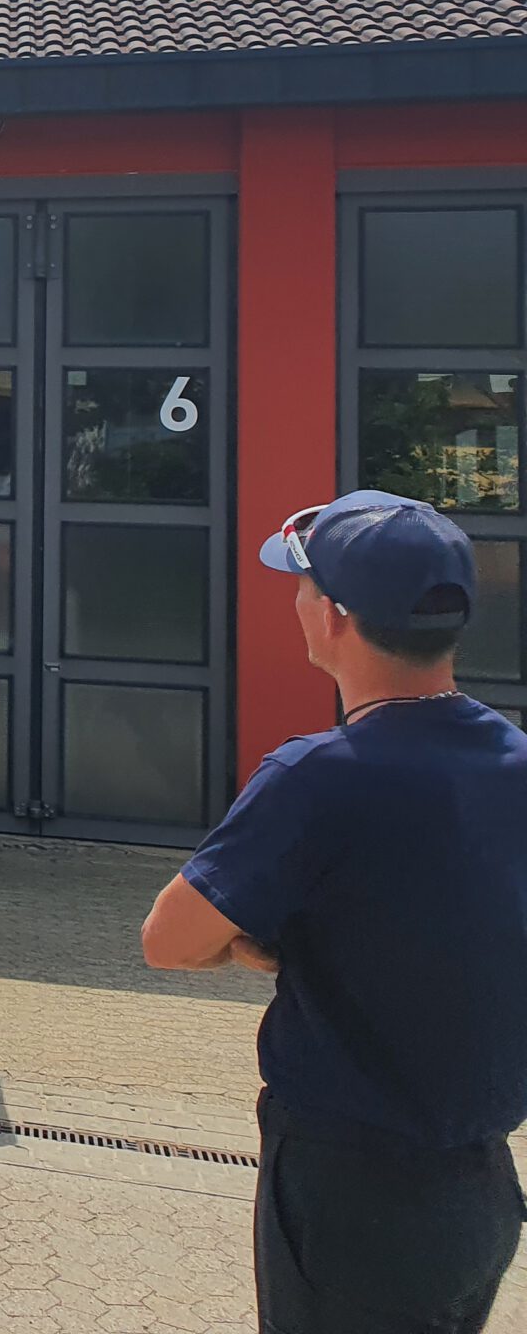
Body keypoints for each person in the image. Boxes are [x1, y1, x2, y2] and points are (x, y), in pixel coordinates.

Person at [141, 490, 527, 1331]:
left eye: (304, 586)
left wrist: (245, 945)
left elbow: (168, 940)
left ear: (335, 617)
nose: (298, 602)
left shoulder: (316, 776)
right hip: (482, 1194)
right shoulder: (514, 759)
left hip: (351, 1196)